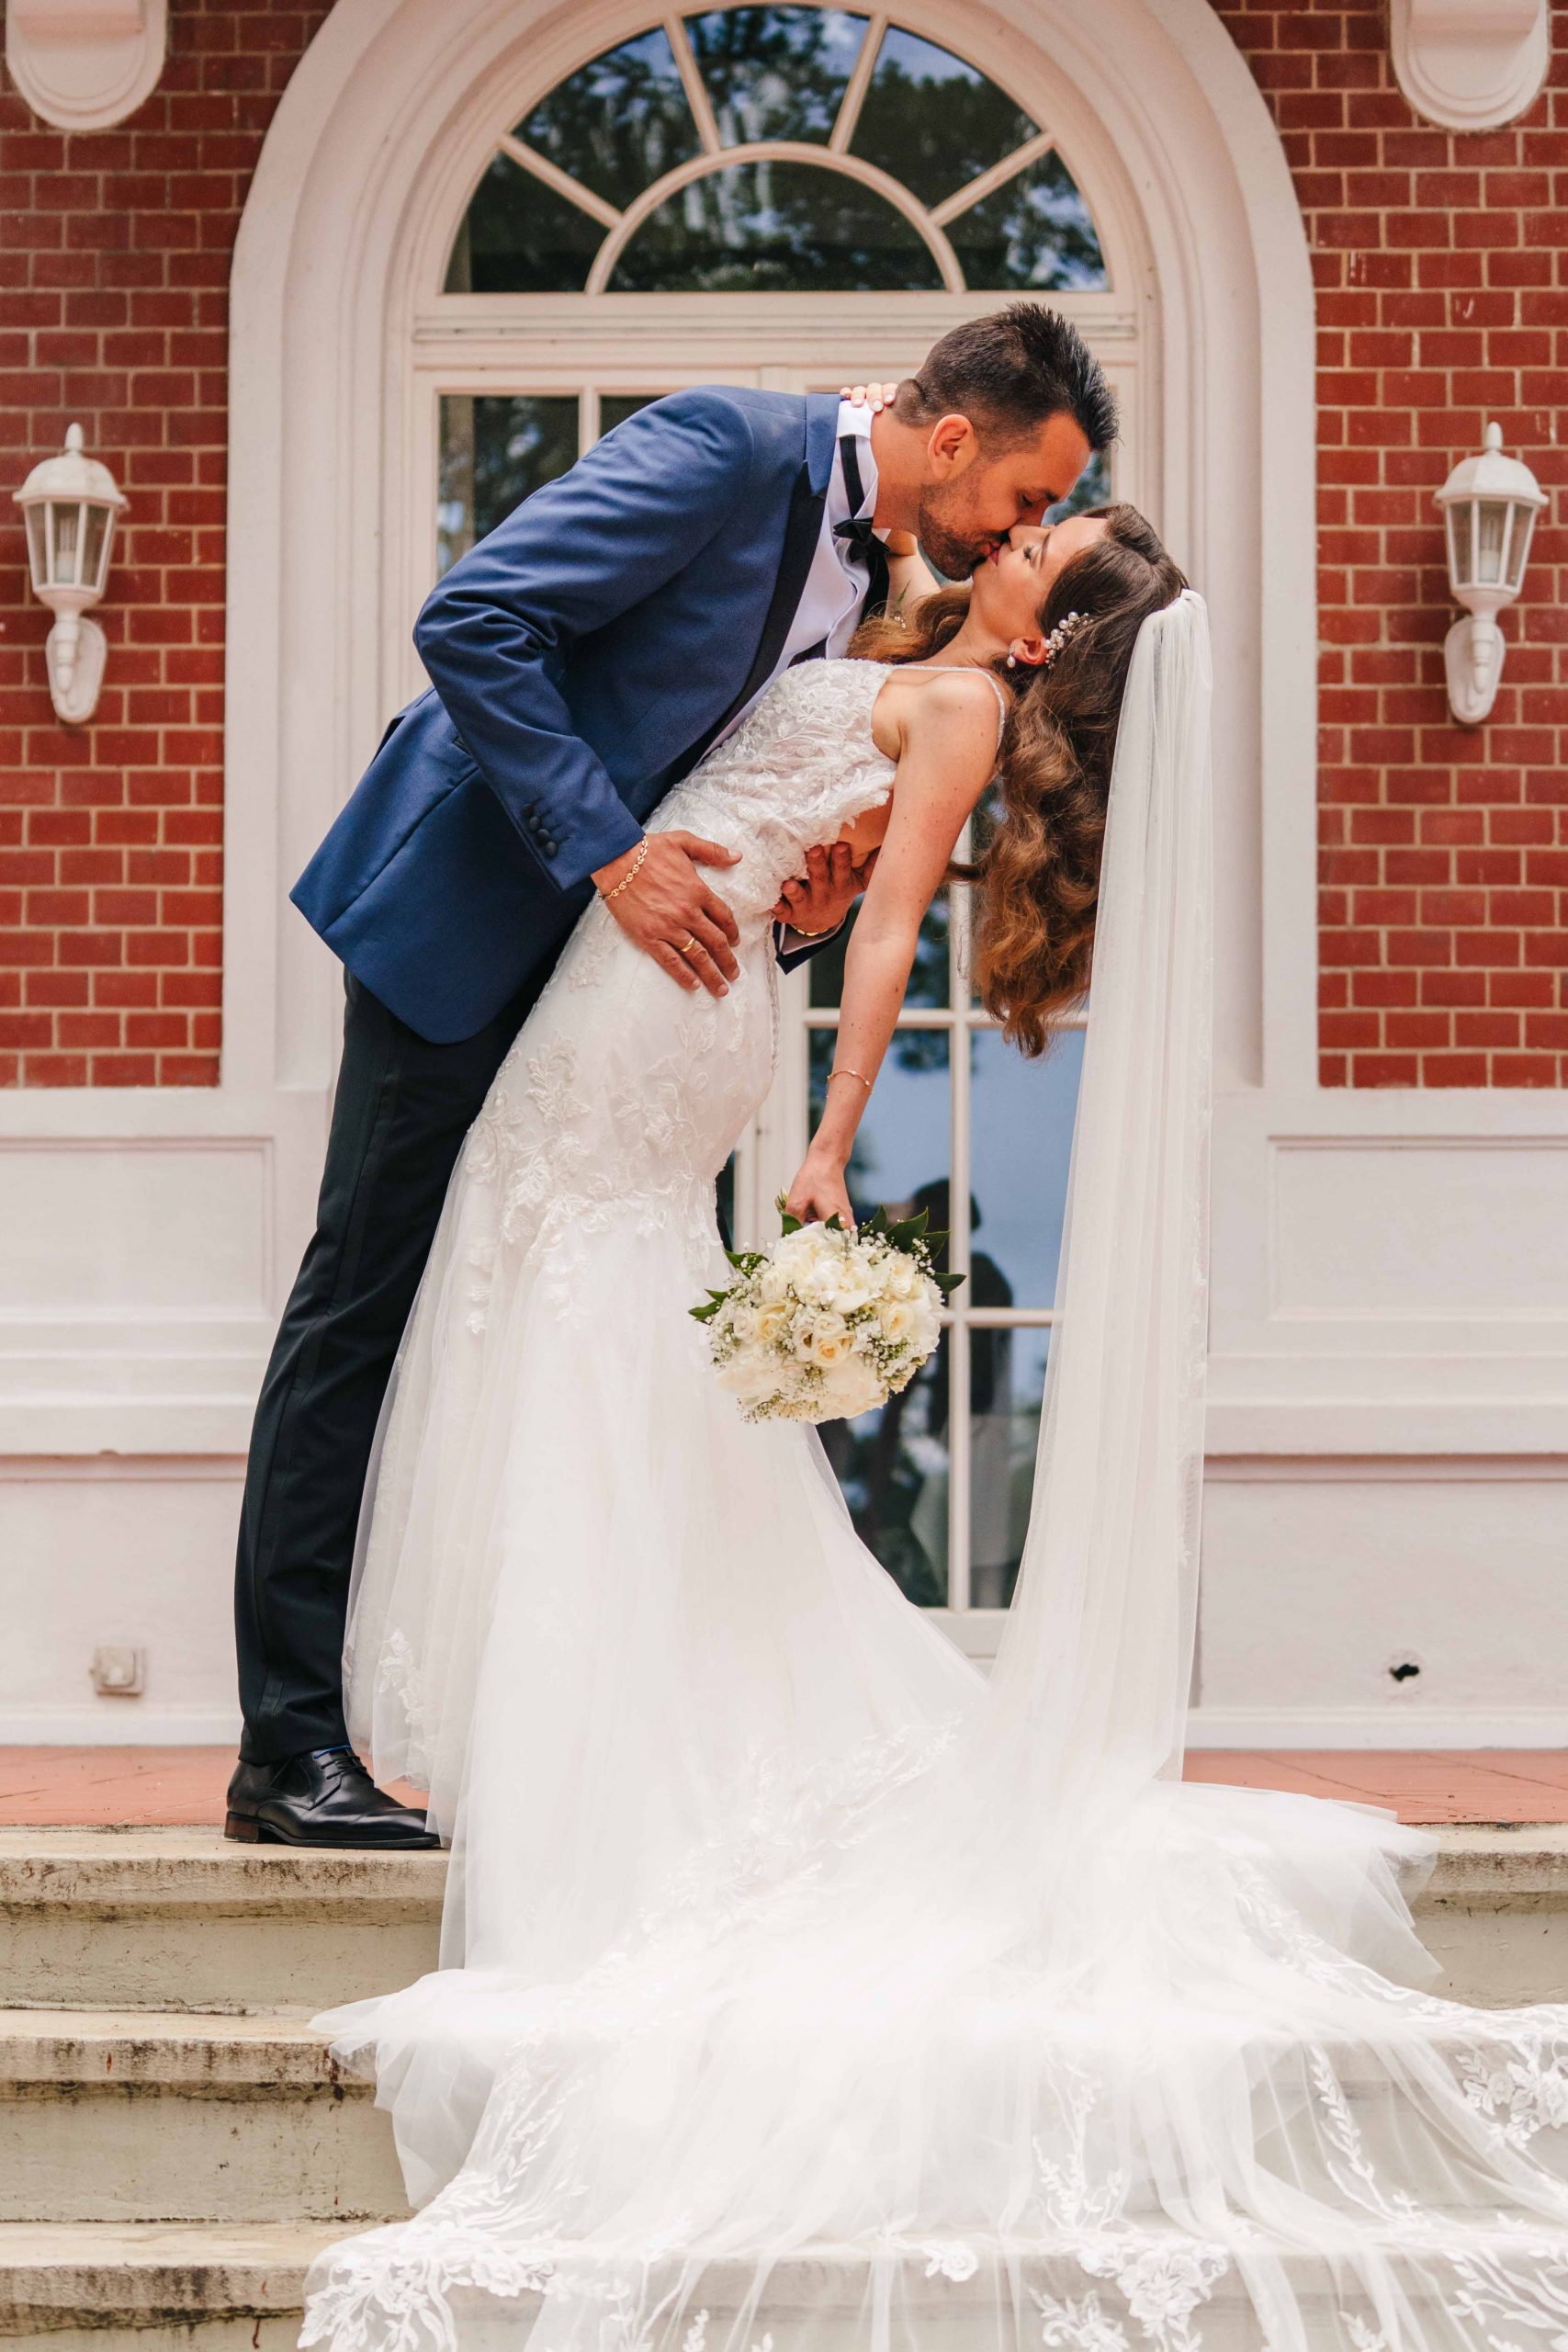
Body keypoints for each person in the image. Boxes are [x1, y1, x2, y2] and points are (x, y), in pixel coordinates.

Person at [303, 502, 1568, 2348]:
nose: (1024, 528)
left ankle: (572, 1723)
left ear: (1047, 635)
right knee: (578, 1298)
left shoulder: (965, 704)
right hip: (663, 967)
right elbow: (820, 837)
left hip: (661, 1007)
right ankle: (578, 1685)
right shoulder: (911, 655)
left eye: (1053, 539)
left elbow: (888, 930)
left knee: (572, 1282)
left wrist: (828, 1146)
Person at [226, 305, 1116, 1848]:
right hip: (474, 915)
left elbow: (736, 781)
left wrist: (799, 901)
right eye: (1027, 498)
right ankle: (289, 1746)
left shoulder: (871, 576)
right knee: (366, 1299)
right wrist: (612, 855)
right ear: (955, 437)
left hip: (623, 990)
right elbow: (477, 619)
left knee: (531, 1314)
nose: (1017, 528)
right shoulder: (728, 446)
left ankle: (534, 1719)